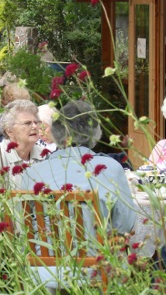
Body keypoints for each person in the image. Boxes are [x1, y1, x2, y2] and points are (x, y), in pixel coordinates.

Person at [14, 99, 139, 237]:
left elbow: (23, 224)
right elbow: (126, 223)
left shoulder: (32, 173)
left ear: (56, 132)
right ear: (95, 133)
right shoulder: (111, 168)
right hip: (97, 255)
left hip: (43, 256)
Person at [0, 100, 53, 173]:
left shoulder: (44, 155)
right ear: (9, 131)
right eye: (27, 123)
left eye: (36, 122)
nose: (34, 126)